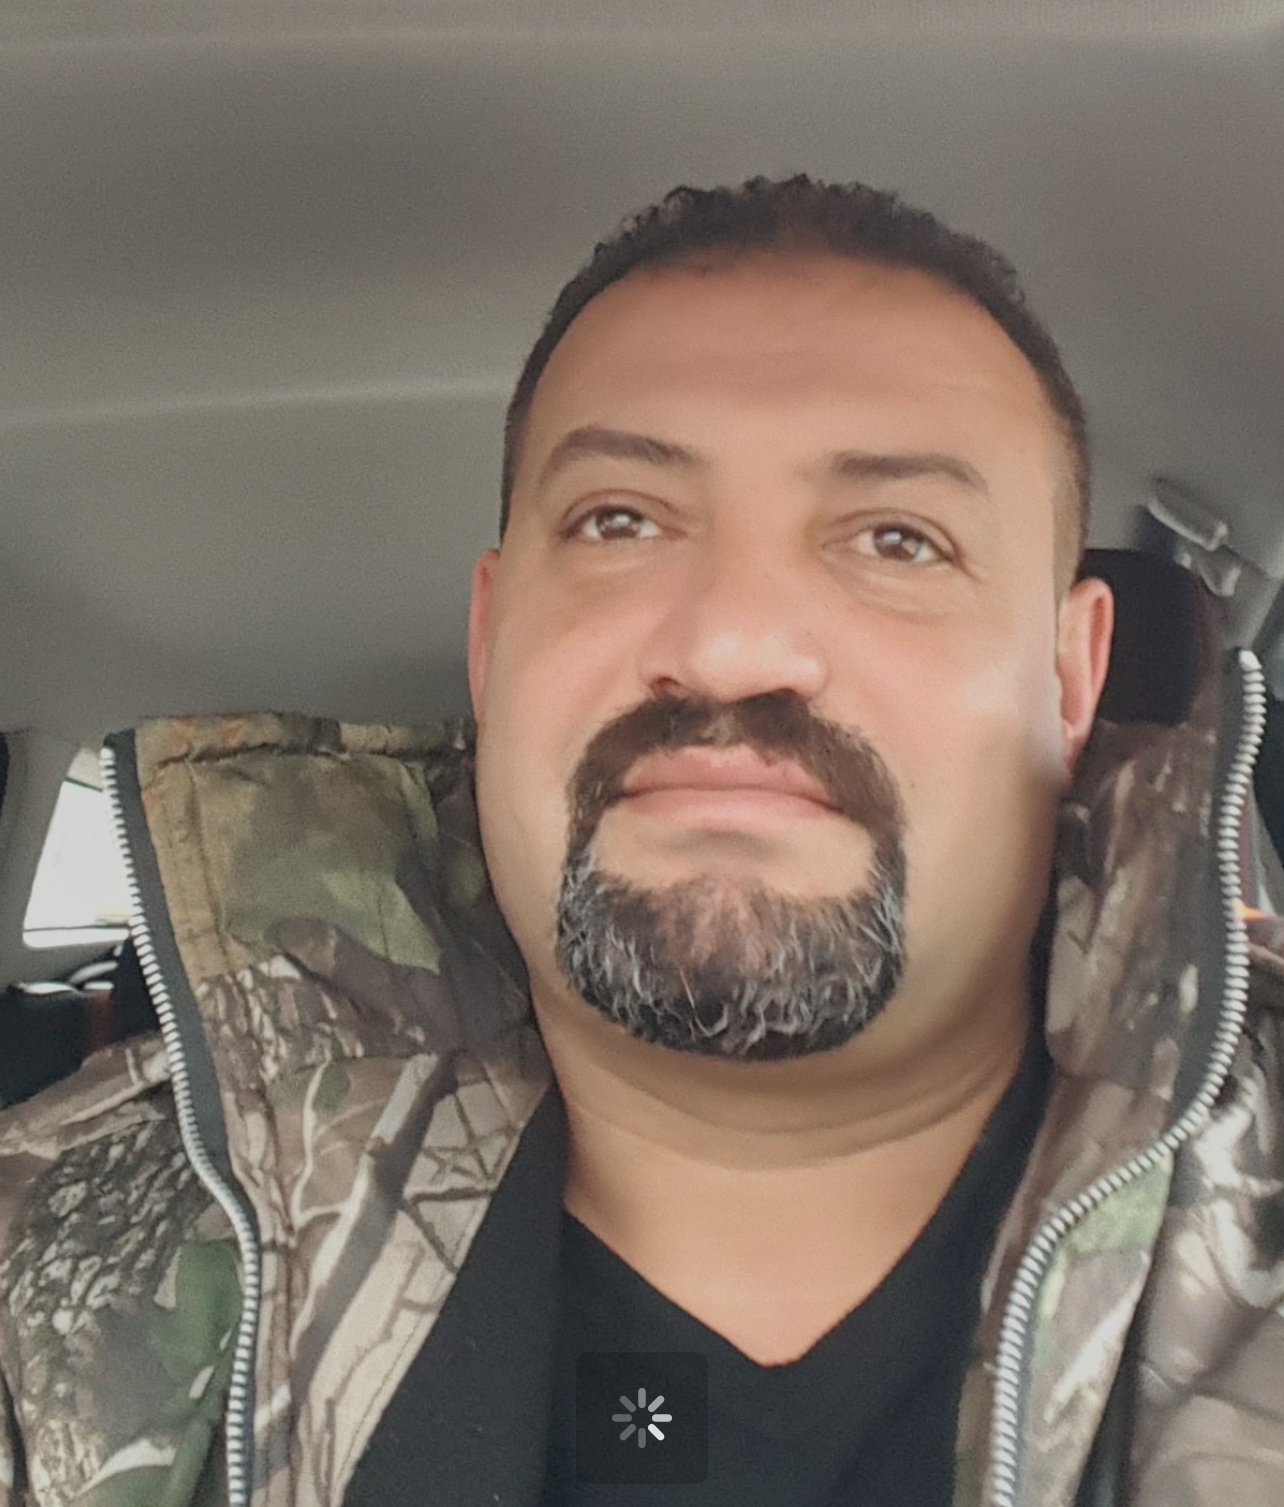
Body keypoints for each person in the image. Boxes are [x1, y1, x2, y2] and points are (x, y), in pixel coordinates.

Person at [1, 176, 1281, 1507]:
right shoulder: (54, 1269)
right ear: (492, 639)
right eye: (620, 520)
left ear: (1069, 682)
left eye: (899, 540)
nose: (731, 642)